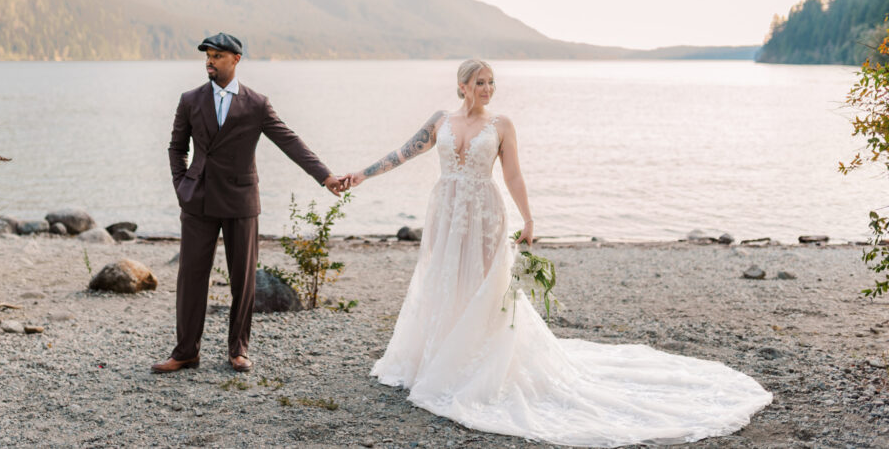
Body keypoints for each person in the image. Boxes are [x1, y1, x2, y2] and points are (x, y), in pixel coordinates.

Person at [347, 59, 772, 446]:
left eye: (492, 82)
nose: (488, 89)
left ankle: (475, 365)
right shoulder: (440, 121)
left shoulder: (502, 125)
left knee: (483, 289)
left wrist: (529, 219)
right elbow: (403, 153)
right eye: (480, 82)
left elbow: (512, 174)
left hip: (484, 215)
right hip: (445, 212)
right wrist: (361, 175)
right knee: (442, 281)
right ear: (461, 85)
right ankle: (436, 357)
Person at [153, 32, 348, 374]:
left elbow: (290, 141)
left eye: (217, 56)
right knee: (190, 278)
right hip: (197, 199)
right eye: (207, 56)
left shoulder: (257, 103)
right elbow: (176, 147)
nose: (210, 61)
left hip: (241, 200)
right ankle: (186, 351)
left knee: (243, 280)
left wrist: (325, 176)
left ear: (236, 60)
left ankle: (238, 350)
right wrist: (181, 183)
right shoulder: (190, 99)